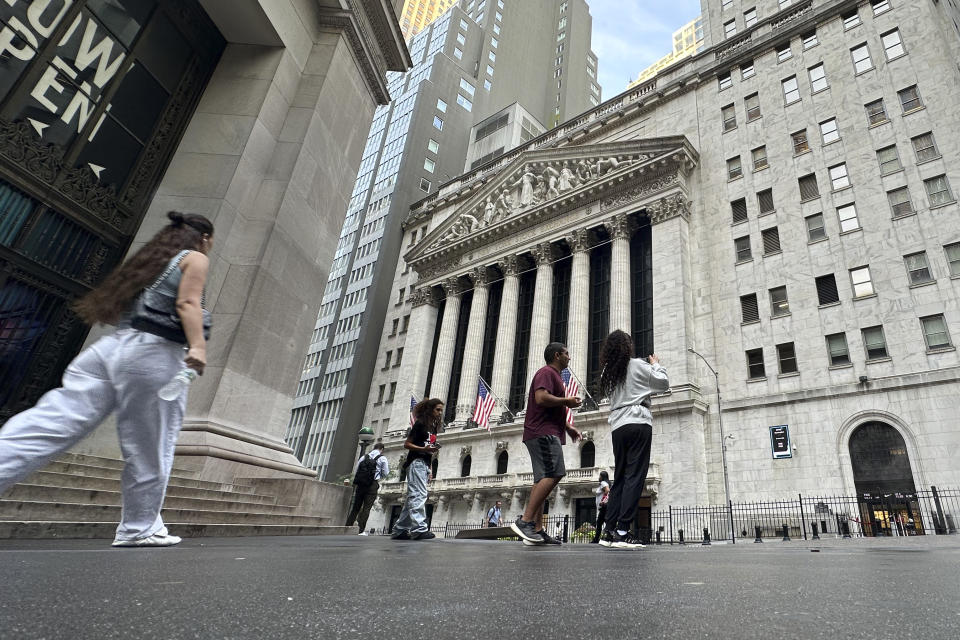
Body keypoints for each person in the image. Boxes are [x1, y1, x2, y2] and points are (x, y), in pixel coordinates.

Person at [0, 211, 214, 547]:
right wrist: (198, 346)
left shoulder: (151, 261)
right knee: (150, 447)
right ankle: (138, 527)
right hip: (153, 354)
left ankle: (149, 522)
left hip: (109, 350)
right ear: (204, 238)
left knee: (48, 424)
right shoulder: (195, 258)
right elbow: (188, 302)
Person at [596, 330, 669, 549]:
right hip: (638, 421)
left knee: (619, 477)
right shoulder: (637, 365)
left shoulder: (608, 373)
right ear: (628, 347)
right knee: (635, 477)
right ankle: (622, 531)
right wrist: (656, 364)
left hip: (618, 426)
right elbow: (663, 383)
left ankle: (608, 531)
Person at [510, 342, 581, 546]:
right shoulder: (547, 372)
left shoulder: (554, 376)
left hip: (544, 430)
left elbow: (550, 408)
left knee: (542, 477)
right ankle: (525, 521)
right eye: (567, 353)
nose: (569, 357)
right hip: (542, 433)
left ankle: (538, 529)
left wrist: (567, 427)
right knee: (554, 472)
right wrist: (566, 401)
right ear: (557, 355)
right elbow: (541, 398)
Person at [391, 398, 442, 541]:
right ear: (430, 409)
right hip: (416, 462)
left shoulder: (433, 428)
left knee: (412, 498)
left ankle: (399, 530)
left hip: (424, 464)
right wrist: (423, 448)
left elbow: (429, 451)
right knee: (419, 495)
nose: (440, 413)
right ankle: (419, 529)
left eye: (441, 410)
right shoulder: (420, 424)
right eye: (437, 409)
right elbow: (407, 444)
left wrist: (430, 467)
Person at [345, 441, 389, 535]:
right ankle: (360, 530)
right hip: (372, 484)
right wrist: (378, 474)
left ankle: (346, 527)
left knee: (356, 507)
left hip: (361, 484)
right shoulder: (382, 458)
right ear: (381, 449)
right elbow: (386, 473)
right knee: (366, 508)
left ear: (374, 448)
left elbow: (356, 470)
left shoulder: (364, 457)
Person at [590, 470, 611, 543]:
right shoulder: (606, 483)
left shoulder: (603, 483)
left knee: (599, 523)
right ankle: (610, 536)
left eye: (599, 476)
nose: (599, 477)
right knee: (605, 522)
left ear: (602, 477)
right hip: (605, 507)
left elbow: (607, 490)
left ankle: (596, 539)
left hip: (604, 507)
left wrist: (603, 501)